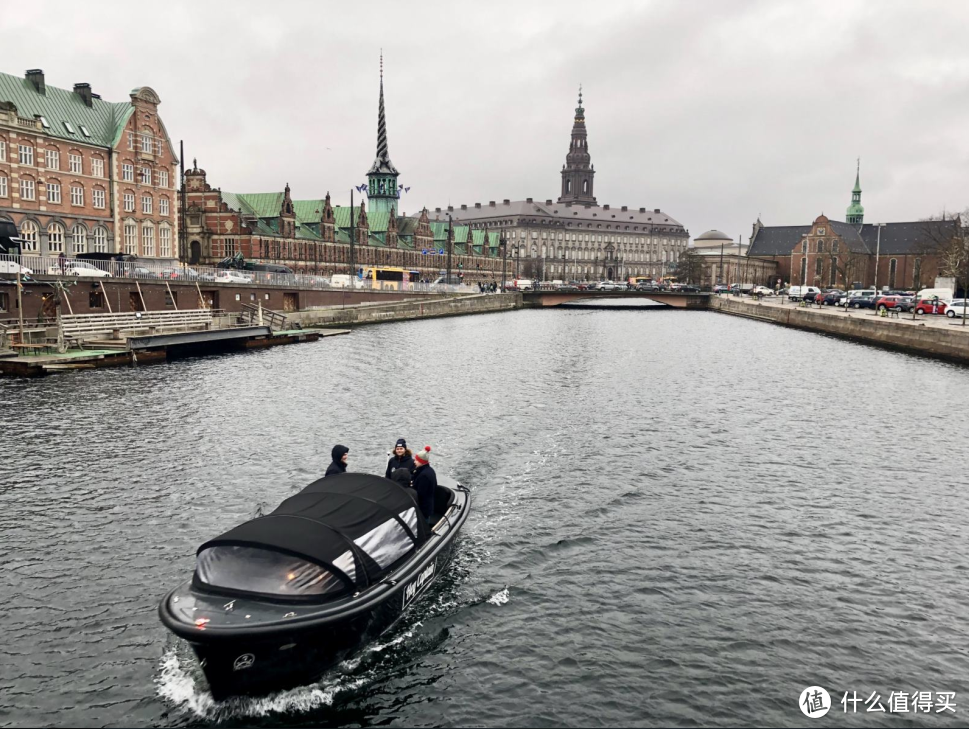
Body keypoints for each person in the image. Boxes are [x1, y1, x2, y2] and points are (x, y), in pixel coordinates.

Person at [411, 446, 437, 524]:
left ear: (421, 462)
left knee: (423, 526)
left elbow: (419, 494)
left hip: (423, 508)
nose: (414, 462)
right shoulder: (430, 470)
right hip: (428, 505)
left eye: (416, 460)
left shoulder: (424, 475)